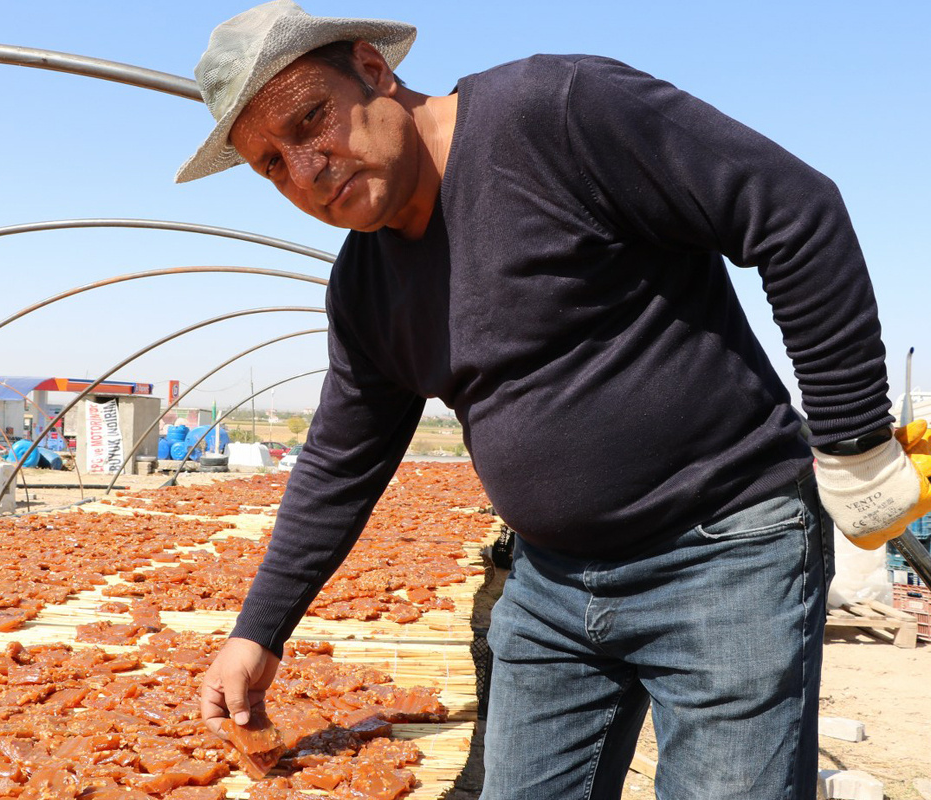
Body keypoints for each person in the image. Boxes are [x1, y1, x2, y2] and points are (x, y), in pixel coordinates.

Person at [175, 2, 931, 798]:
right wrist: (258, 631)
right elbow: (340, 460)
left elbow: (788, 208)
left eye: (311, 120)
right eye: (270, 164)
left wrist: (851, 439)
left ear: (371, 69)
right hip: (553, 586)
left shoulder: (554, 114)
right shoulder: (365, 287)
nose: (307, 170)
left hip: (723, 552)